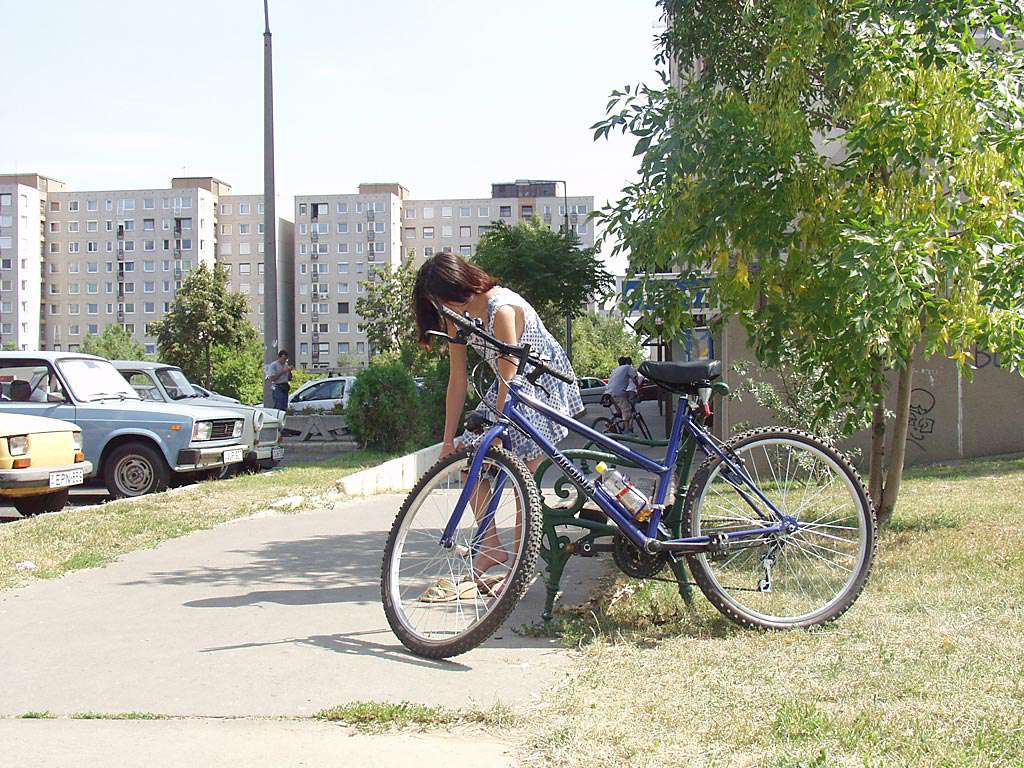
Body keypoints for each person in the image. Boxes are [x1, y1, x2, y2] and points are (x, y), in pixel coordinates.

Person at [413, 252, 583, 597]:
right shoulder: (456, 317)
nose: (443, 309)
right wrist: (448, 441)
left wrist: (501, 430)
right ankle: (491, 547)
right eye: (437, 304)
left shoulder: (501, 309)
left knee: (525, 481)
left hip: (540, 386)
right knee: (468, 465)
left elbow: (511, 375)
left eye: (444, 299)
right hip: (507, 387)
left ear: (459, 285)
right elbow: (457, 381)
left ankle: (519, 572)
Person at [607, 356, 639, 434]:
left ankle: (610, 422)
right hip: (619, 392)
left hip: (609, 392)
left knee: (619, 412)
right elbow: (635, 378)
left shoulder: (615, 369)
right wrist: (637, 385)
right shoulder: (628, 367)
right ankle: (627, 431)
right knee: (627, 410)